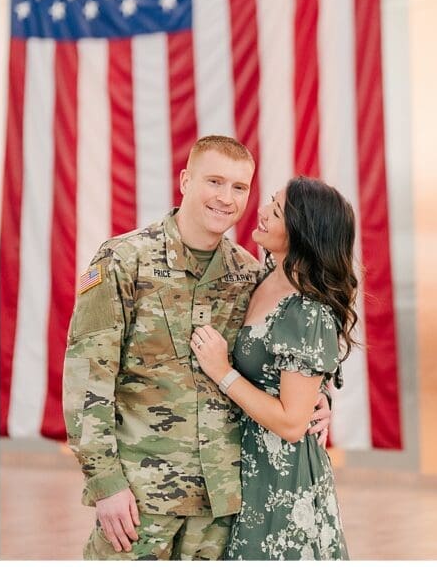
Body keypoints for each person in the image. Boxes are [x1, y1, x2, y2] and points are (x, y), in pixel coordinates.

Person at [63, 135, 331, 560]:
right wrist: (105, 484)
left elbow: (279, 349)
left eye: (239, 187)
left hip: (222, 504)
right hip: (140, 499)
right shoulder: (122, 260)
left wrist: (317, 397)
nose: (226, 198)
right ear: (186, 180)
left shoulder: (247, 273)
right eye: (214, 182)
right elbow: (86, 383)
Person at [192, 176, 354, 560]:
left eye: (277, 211)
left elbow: (291, 423)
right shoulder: (259, 278)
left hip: (280, 478)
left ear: (301, 234)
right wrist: (319, 395)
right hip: (242, 467)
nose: (261, 212)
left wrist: (222, 372)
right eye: (270, 202)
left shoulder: (306, 310)